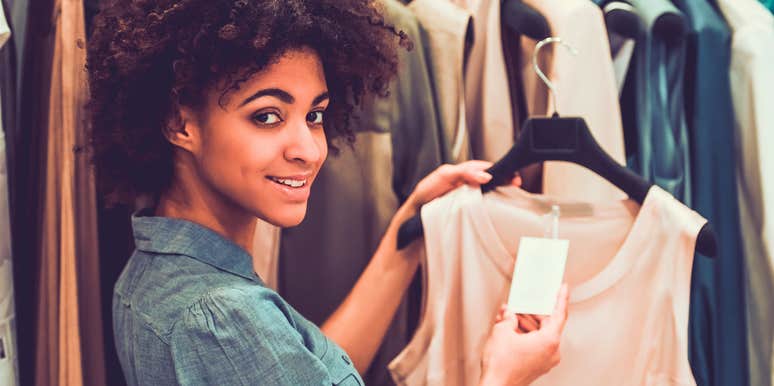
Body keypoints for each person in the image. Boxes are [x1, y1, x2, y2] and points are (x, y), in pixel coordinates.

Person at [87, 0, 569, 385]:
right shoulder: (220, 318)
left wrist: (410, 226)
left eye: (314, 115)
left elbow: (311, 367)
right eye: (267, 116)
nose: (309, 150)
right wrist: (504, 373)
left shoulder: (153, 270)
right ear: (179, 122)